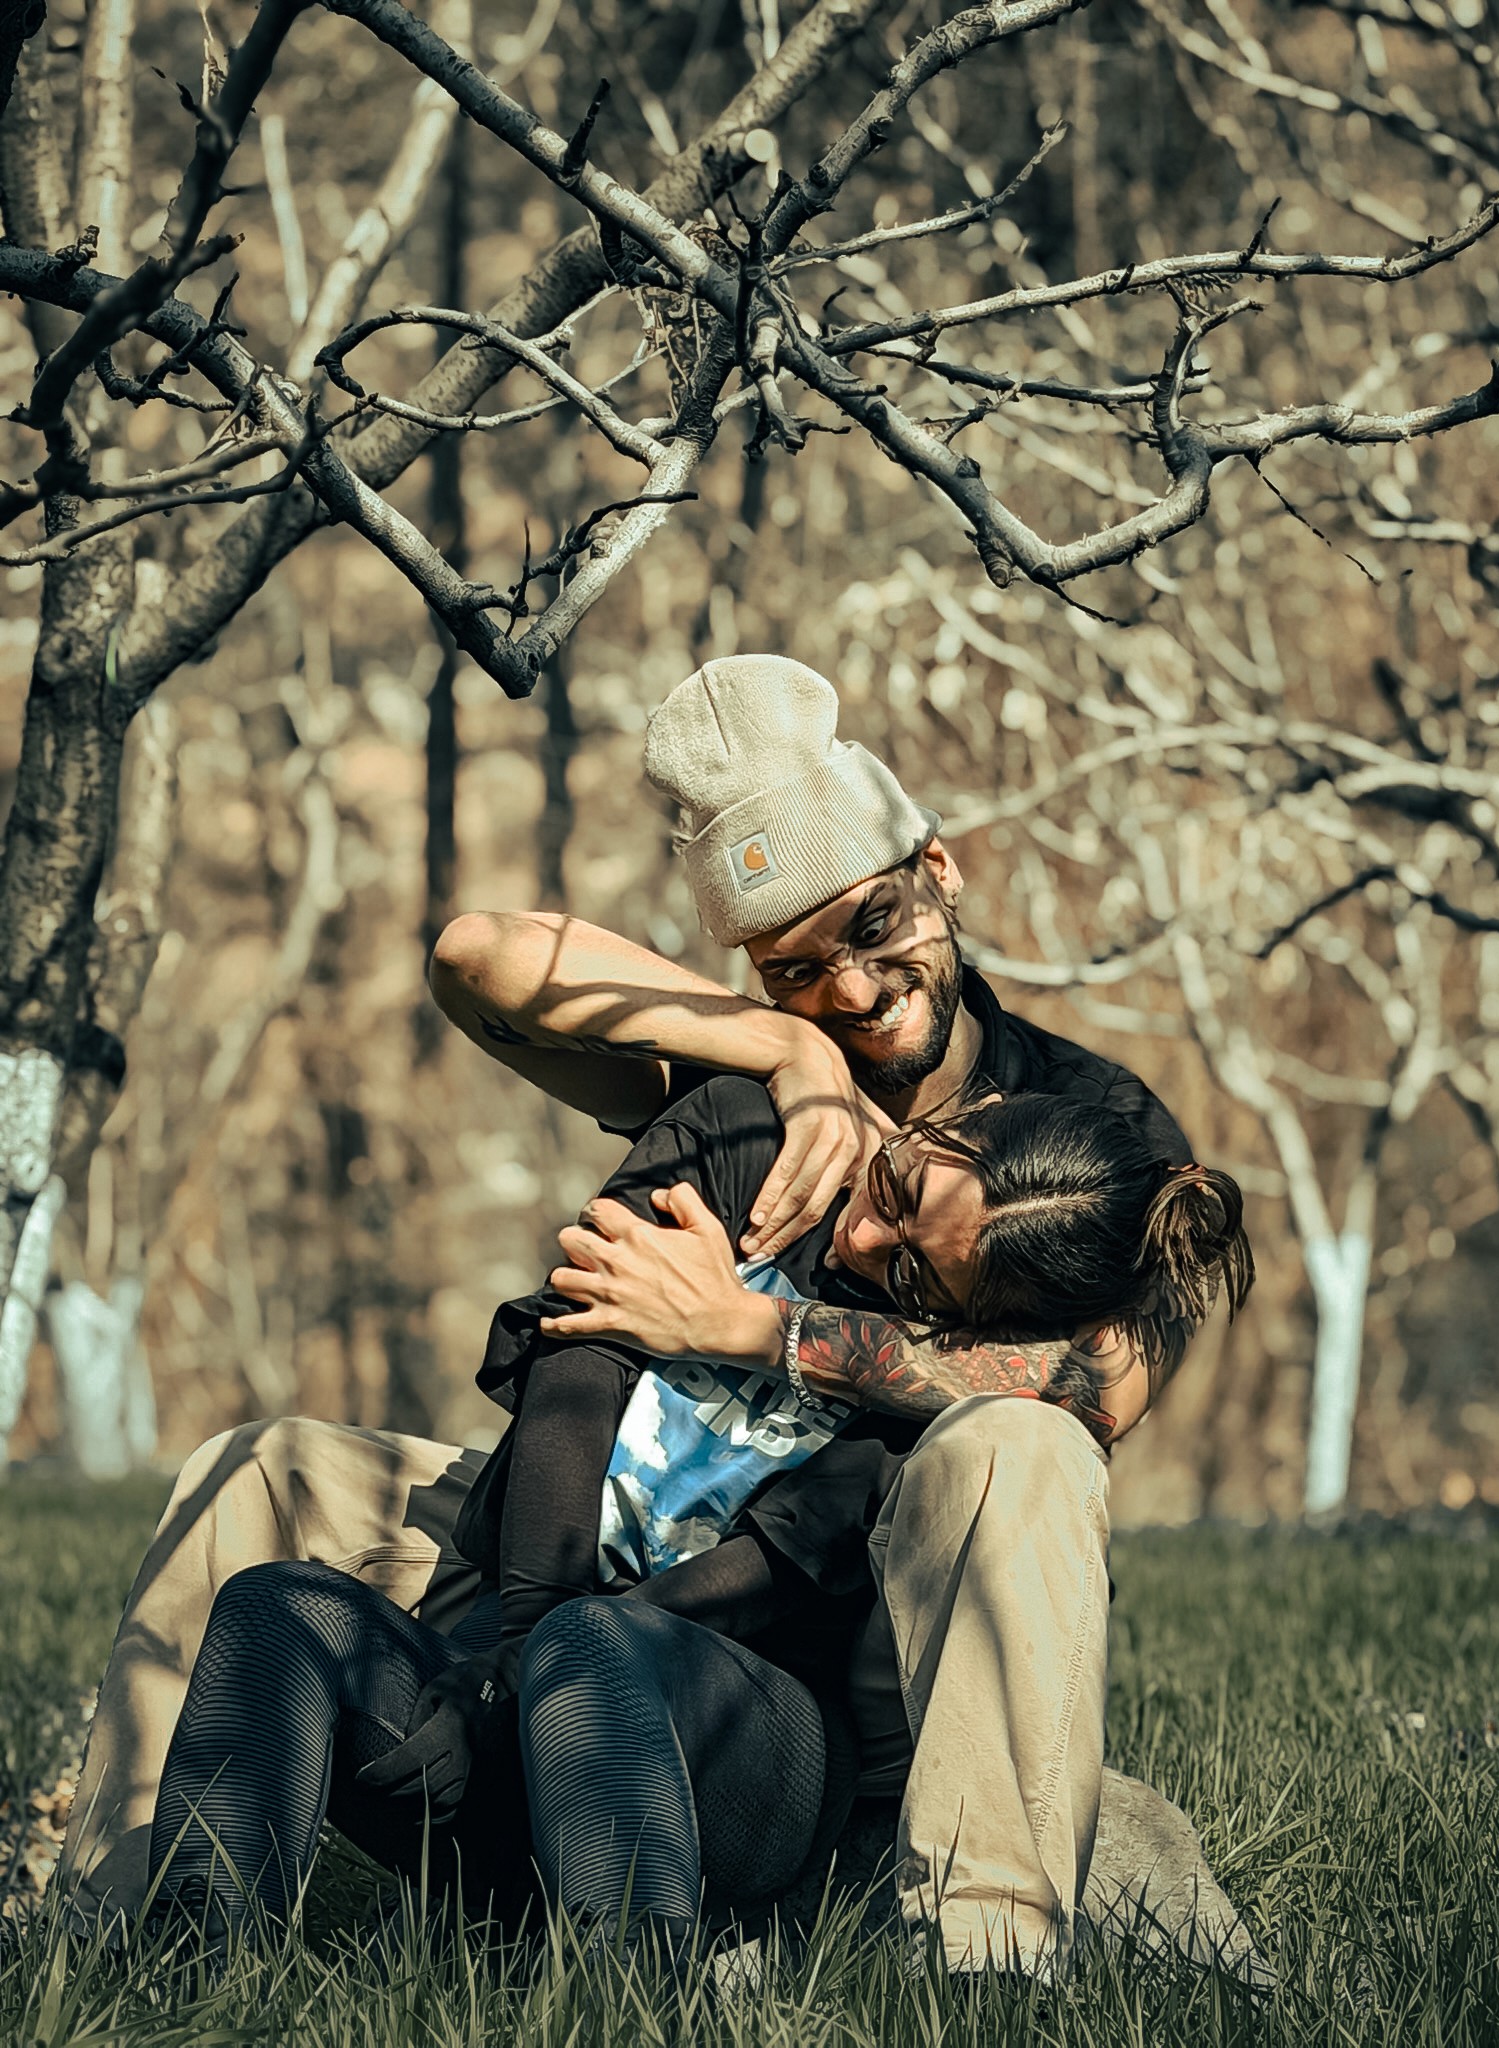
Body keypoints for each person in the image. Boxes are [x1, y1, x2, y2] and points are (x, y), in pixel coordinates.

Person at [61, 653, 1239, 1974]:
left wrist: (764, 1333)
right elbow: (477, 957)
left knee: (1021, 1446)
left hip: (847, 1625)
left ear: (938, 869)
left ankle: (984, 1952)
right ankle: (109, 1934)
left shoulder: (1089, 1132)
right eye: (797, 969)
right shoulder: (752, 1090)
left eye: (874, 926)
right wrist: (779, 1047)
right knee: (262, 1472)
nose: (854, 991)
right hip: (601, 1545)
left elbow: (1099, 1391)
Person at [143, 1076, 1250, 1953]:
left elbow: (773, 1566)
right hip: (517, 1665)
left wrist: (527, 1668)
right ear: (965, 1115)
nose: (871, 1243)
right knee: (278, 1612)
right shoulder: (743, 1139)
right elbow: (576, 1363)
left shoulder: (924, 1380)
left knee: (593, 1647)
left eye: (919, 1273)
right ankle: (188, 1971)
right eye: (900, 1187)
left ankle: (628, 1992)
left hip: (735, 1740)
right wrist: (496, 1663)